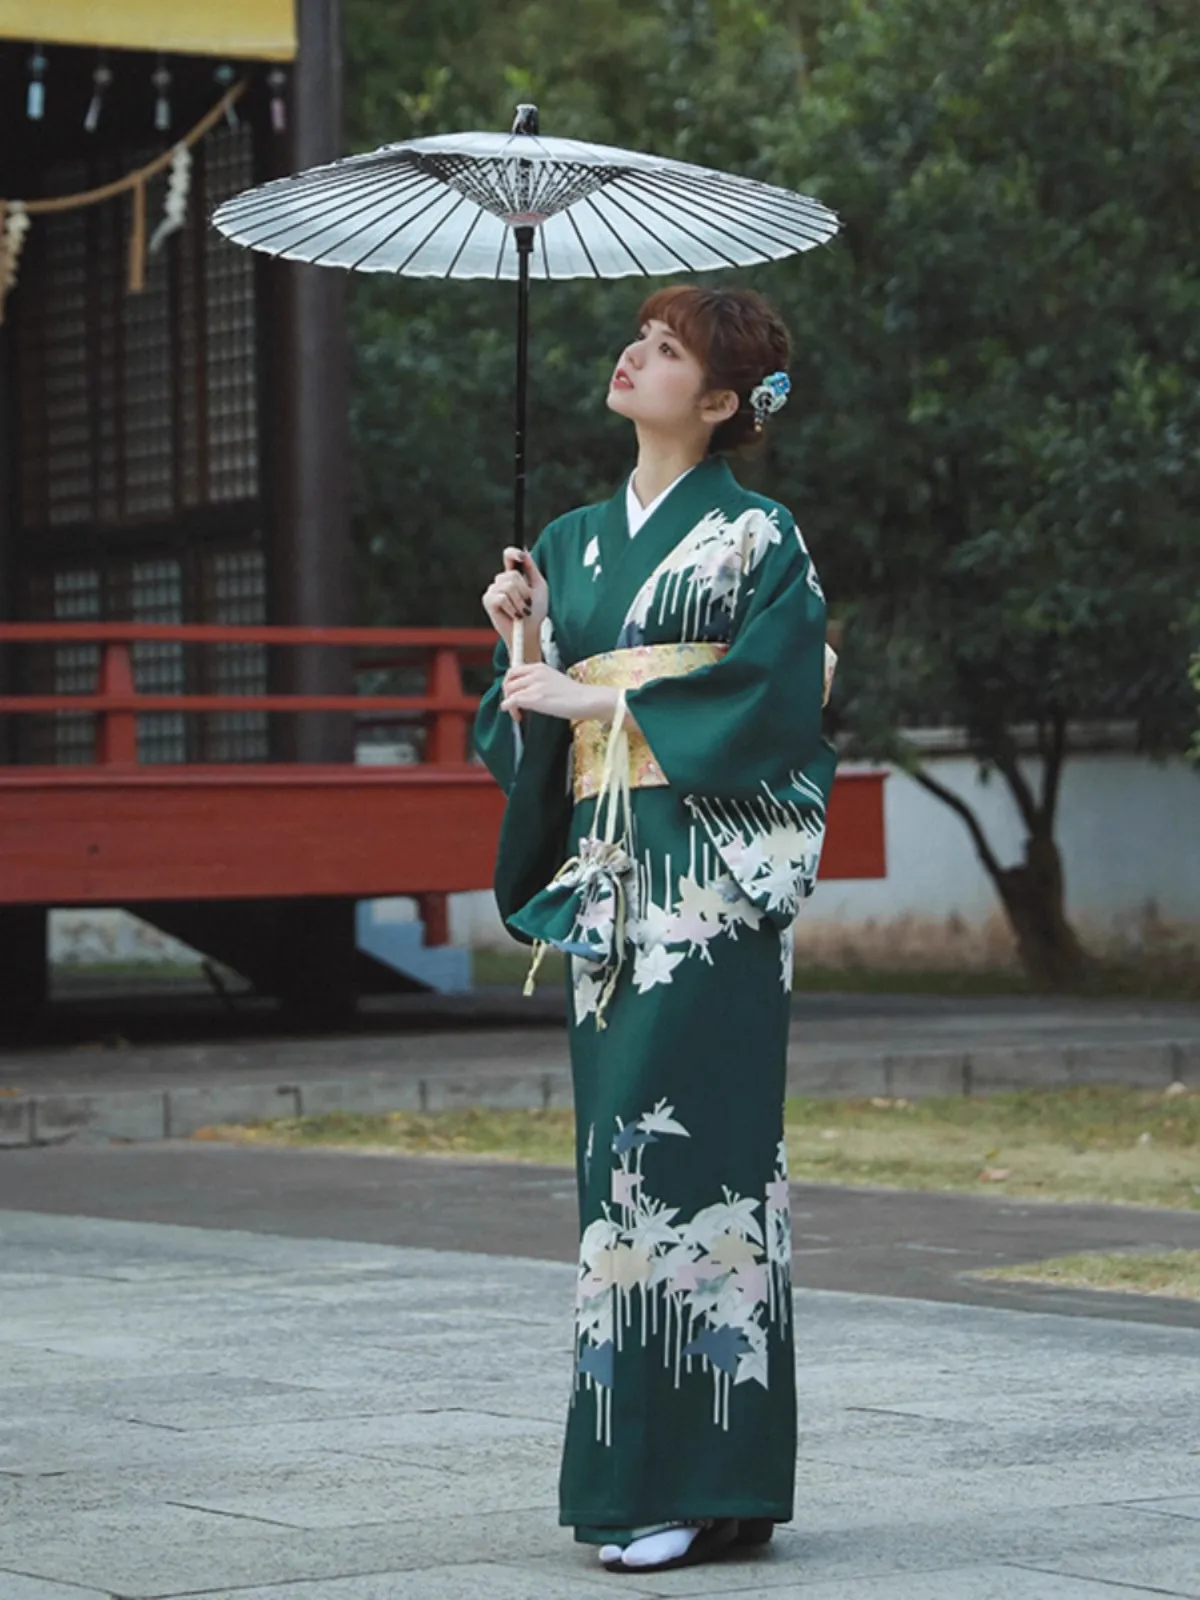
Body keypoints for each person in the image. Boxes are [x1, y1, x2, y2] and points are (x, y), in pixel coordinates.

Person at [474, 284, 836, 1576]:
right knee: (619, 1173)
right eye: (640, 339)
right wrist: (523, 651)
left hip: (711, 888)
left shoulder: (758, 539)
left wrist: (596, 703)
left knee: (705, 1170)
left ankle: (689, 1484)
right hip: (610, 887)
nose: (635, 357)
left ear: (724, 400)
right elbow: (531, 731)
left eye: (669, 350)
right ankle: (689, 1482)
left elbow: (778, 703)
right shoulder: (568, 545)